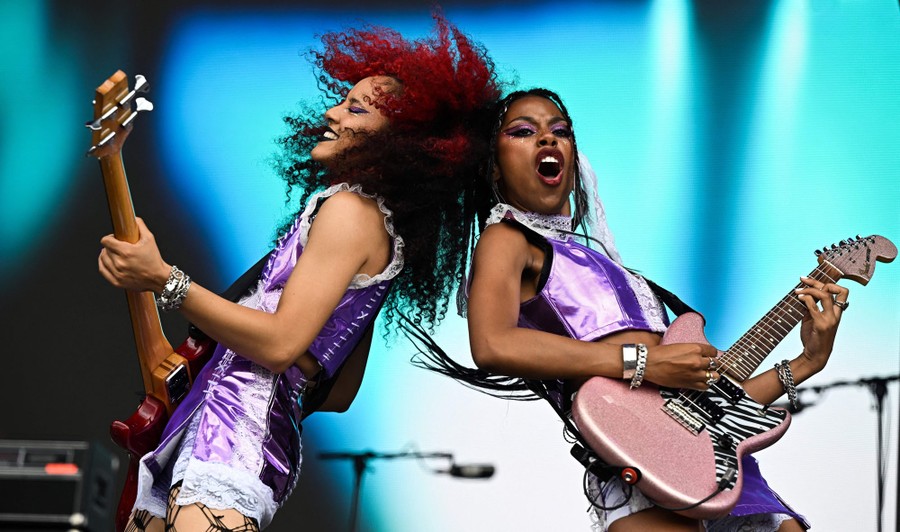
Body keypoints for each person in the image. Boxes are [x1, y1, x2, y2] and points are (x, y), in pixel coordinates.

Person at [98, 14, 500, 531]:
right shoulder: (377, 228)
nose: (331, 113)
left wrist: (165, 280)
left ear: (399, 143)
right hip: (217, 435)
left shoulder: (351, 209)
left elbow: (280, 344)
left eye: (355, 108)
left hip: (234, 443)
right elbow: (337, 392)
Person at [413, 88, 848, 532]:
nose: (547, 139)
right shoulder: (507, 239)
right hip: (632, 460)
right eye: (524, 132)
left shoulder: (608, 264)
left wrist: (806, 361)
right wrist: (645, 361)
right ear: (494, 169)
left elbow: (709, 408)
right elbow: (492, 344)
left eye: (560, 131)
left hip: (719, 465)